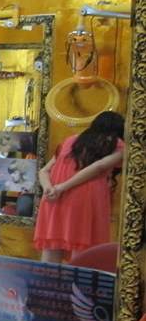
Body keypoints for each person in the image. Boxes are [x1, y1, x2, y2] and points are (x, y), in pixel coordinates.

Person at [34, 110, 125, 263]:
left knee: (51, 245)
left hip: (54, 197)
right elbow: (99, 166)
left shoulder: (70, 140)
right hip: (85, 196)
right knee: (82, 248)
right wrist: (62, 187)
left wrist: (49, 188)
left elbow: (44, 170)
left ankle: (48, 279)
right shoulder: (117, 143)